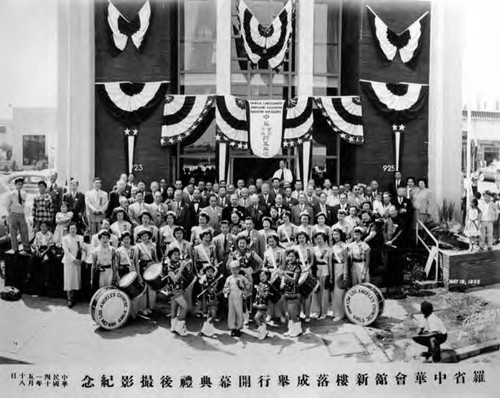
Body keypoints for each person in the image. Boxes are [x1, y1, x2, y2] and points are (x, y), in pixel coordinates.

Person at [134, 228, 159, 316]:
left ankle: (150, 307)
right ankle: (143, 308)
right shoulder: (138, 246)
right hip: (143, 268)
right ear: (140, 238)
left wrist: (158, 268)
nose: (144, 237)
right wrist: (137, 273)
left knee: (151, 288)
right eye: (142, 236)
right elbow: (136, 260)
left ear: (149, 236)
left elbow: (155, 257)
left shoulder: (153, 245)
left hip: (151, 267)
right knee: (144, 288)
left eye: (146, 236)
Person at [116, 231, 141, 319]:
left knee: (134, 293)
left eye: (128, 238)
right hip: (123, 273)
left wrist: (138, 275)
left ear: (130, 239)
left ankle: (134, 313)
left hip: (132, 273)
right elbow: (117, 265)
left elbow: (136, 263)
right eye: (124, 239)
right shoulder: (118, 251)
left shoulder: (134, 249)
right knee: (124, 294)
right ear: (122, 240)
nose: (126, 241)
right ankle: (125, 314)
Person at [166, 247, 190, 336]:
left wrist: (184, 266)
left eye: (178, 254)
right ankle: (179, 327)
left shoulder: (178, 263)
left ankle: (173, 326)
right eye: (174, 254)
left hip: (177, 289)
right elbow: (175, 279)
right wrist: (181, 268)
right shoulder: (169, 266)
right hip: (175, 289)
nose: (177, 256)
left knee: (174, 308)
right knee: (185, 306)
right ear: (170, 256)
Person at [279, 249, 302, 337]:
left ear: (296, 257)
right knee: (289, 313)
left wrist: (285, 275)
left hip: (294, 292)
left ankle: (298, 329)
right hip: (287, 292)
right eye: (289, 256)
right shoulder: (288, 266)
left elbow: (294, 281)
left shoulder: (297, 267)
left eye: (292, 256)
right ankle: (291, 329)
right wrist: (282, 279)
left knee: (293, 313)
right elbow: (285, 278)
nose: (290, 258)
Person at [224, 260, 250, 337]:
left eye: (236, 269)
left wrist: (245, 288)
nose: (235, 271)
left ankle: (238, 328)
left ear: (239, 269)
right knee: (231, 312)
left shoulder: (242, 277)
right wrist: (226, 290)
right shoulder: (229, 278)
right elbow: (225, 287)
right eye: (233, 269)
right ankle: (232, 328)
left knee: (239, 312)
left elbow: (248, 285)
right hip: (231, 297)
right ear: (230, 270)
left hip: (239, 297)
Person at [62, 223, 85, 308]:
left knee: (76, 279)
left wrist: (81, 259)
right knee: (68, 279)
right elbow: (66, 251)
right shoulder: (65, 238)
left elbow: (83, 250)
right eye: (71, 229)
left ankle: (73, 297)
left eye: (74, 228)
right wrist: (73, 259)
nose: (73, 230)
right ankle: (68, 298)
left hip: (78, 262)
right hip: (69, 262)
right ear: (69, 230)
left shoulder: (80, 238)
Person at [6, 177, 31, 253]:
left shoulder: (24, 193)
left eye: (21, 184)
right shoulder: (11, 194)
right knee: (13, 232)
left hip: (21, 214)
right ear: (15, 185)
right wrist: (10, 213)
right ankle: (15, 248)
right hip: (13, 213)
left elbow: (24, 204)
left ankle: (26, 247)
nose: (20, 186)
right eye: (18, 184)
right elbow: (7, 206)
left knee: (24, 231)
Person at [294, 231, 314, 322]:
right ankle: (298, 314)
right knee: (297, 294)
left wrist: (307, 268)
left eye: (303, 237)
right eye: (299, 238)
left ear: (306, 238)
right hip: (298, 270)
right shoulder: (295, 248)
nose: (301, 239)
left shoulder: (309, 248)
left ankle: (307, 315)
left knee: (307, 294)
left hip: (307, 270)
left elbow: (312, 261)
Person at [312, 232, 332, 320]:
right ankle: (316, 311)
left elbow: (330, 264)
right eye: (317, 239)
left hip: (325, 270)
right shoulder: (313, 249)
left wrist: (330, 276)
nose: (318, 240)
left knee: (324, 292)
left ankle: (323, 312)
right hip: (316, 270)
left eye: (320, 238)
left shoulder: (328, 249)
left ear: (324, 239)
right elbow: (312, 262)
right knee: (316, 291)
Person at [331, 228, 348, 322]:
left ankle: (341, 314)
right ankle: (336, 312)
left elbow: (346, 261)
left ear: (341, 235)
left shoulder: (344, 246)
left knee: (339, 291)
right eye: (334, 234)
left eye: (337, 234)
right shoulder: (333, 245)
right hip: (334, 268)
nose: (335, 236)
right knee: (334, 291)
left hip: (341, 268)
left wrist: (345, 274)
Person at [200, 263, 221, 337]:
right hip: (209, 301)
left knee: (209, 316)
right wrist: (215, 285)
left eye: (211, 271)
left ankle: (209, 330)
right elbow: (211, 291)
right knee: (213, 316)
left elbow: (216, 272)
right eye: (208, 271)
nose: (210, 273)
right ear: (205, 272)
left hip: (213, 300)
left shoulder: (212, 279)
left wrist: (216, 268)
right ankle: (205, 329)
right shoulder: (205, 281)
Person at [253, 270, 271, 340]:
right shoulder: (260, 283)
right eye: (260, 276)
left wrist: (259, 289)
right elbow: (257, 295)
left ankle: (262, 331)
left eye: (263, 276)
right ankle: (263, 332)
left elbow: (265, 295)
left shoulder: (267, 285)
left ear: (268, 276)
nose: (261, 277)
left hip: (263, 304)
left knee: (256, 318)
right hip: (259, 303)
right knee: (262, 319)